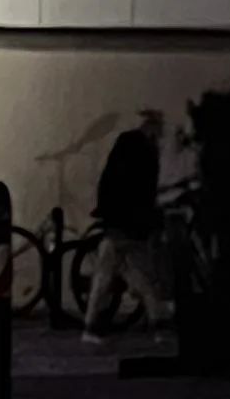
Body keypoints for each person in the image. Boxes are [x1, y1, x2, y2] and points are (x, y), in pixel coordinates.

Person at [84, 108, 172, 341]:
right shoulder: (144, 150)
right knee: (139, 275)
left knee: (113, 274)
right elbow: (142, 190)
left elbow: (113, 182)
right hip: (129, 223)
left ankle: (93, 327)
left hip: (118, 220)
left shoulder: (127, 144)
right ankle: (158, 323)